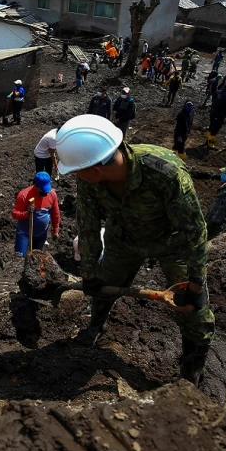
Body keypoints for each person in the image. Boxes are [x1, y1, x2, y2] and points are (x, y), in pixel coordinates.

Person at [55, 114, 214, 385]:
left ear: (95, 169)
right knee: (104, 286)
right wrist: (90, 273)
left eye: (75, 171)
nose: (75, 176)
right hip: (123, 239)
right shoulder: (89, 179)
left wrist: (196, 282)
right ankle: (95, 328)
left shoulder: (166, 172)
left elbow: (195, 230)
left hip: (172, 243)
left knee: (194, 312)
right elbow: (89, 227)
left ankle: (190, 374)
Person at [11, 172, 60, 256]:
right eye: (42, 189)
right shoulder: (24, 195)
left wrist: (55, 229)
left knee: (36, 258)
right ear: (35, 186)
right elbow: (14, 213)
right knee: (19, 257)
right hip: (25, 232)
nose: (45, 192)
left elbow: (55, 213)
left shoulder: (52, 195)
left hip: (41, 234)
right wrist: (27, 213)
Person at [206, 83, 226, 150]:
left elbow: (213, 98)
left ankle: (207, 140)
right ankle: (210, 144)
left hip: (213, 111)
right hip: (220, 114)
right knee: (216, 128)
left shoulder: (217, 92)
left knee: (211, 126)